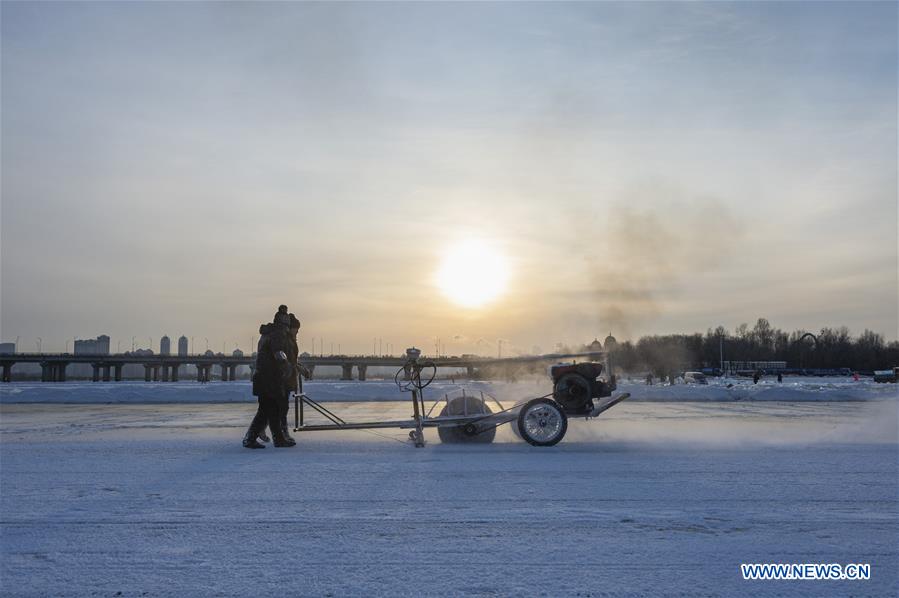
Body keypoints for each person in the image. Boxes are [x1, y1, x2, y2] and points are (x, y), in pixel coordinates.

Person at [242, 306, 295, 449]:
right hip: (270, 378)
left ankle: (277, 439)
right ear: (285, 323)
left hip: (265, 377)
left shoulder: (268, 333)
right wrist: (287, 366)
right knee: (269, 409)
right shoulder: (278, 333)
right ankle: (251, 438)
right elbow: (278, 353)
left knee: (271, 410)